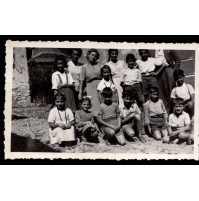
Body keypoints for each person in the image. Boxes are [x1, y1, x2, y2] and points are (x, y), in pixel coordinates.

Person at [79, 49, 101, 117]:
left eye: (95, 56)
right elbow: (81, 81)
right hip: (90, 88)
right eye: (92, 55)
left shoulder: (99, 65)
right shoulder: (84, 67)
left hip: (100, 87)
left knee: (100, 104)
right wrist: (80, 93)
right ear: (88, 55)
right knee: (92, 105)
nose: (94, 57)